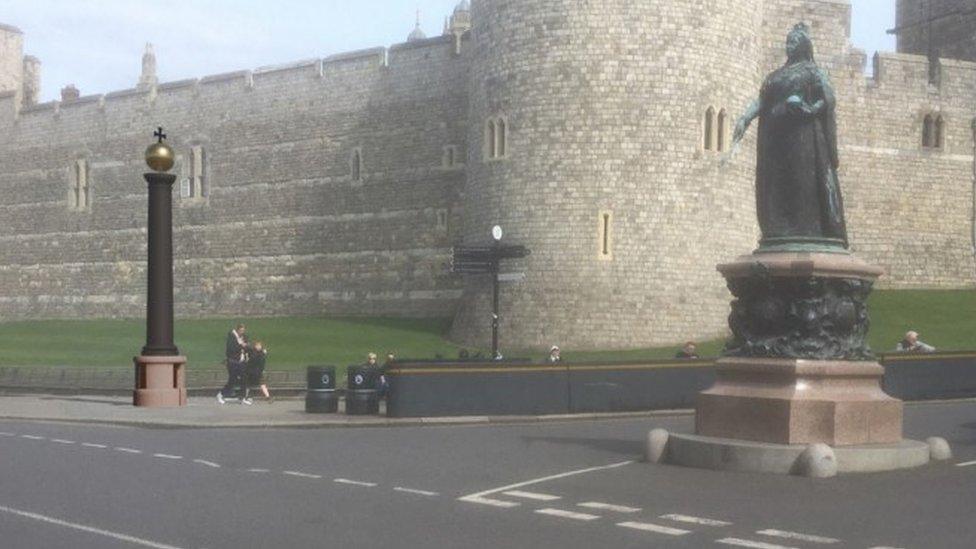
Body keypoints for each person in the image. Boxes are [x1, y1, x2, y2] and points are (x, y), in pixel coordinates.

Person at [731, 22, 848, 251]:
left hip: (802, 140)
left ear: (803, 45)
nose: (788, 45)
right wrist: (745, 118)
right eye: (787, 41)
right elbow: (763, 101)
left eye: (793, 42)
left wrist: (809, 109)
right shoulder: (776, 76)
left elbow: (828, 98)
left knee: (801, 184)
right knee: (776, 185)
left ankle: (805, 232)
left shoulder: (811, 71)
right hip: (776, 141)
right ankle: (779, 230)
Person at [218, 323, 251, 405]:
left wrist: (246, 346)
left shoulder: (243, 337)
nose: (242, 332)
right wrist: (241, 346)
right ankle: (221, 394)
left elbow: (247, 346)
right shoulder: (231, 337)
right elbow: (231, 349)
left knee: (244, 379)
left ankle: (243, 397)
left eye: (243, 331)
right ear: (237, 329)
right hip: (233, 362)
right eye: (241, 331)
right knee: (232, 380)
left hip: (241, 362)